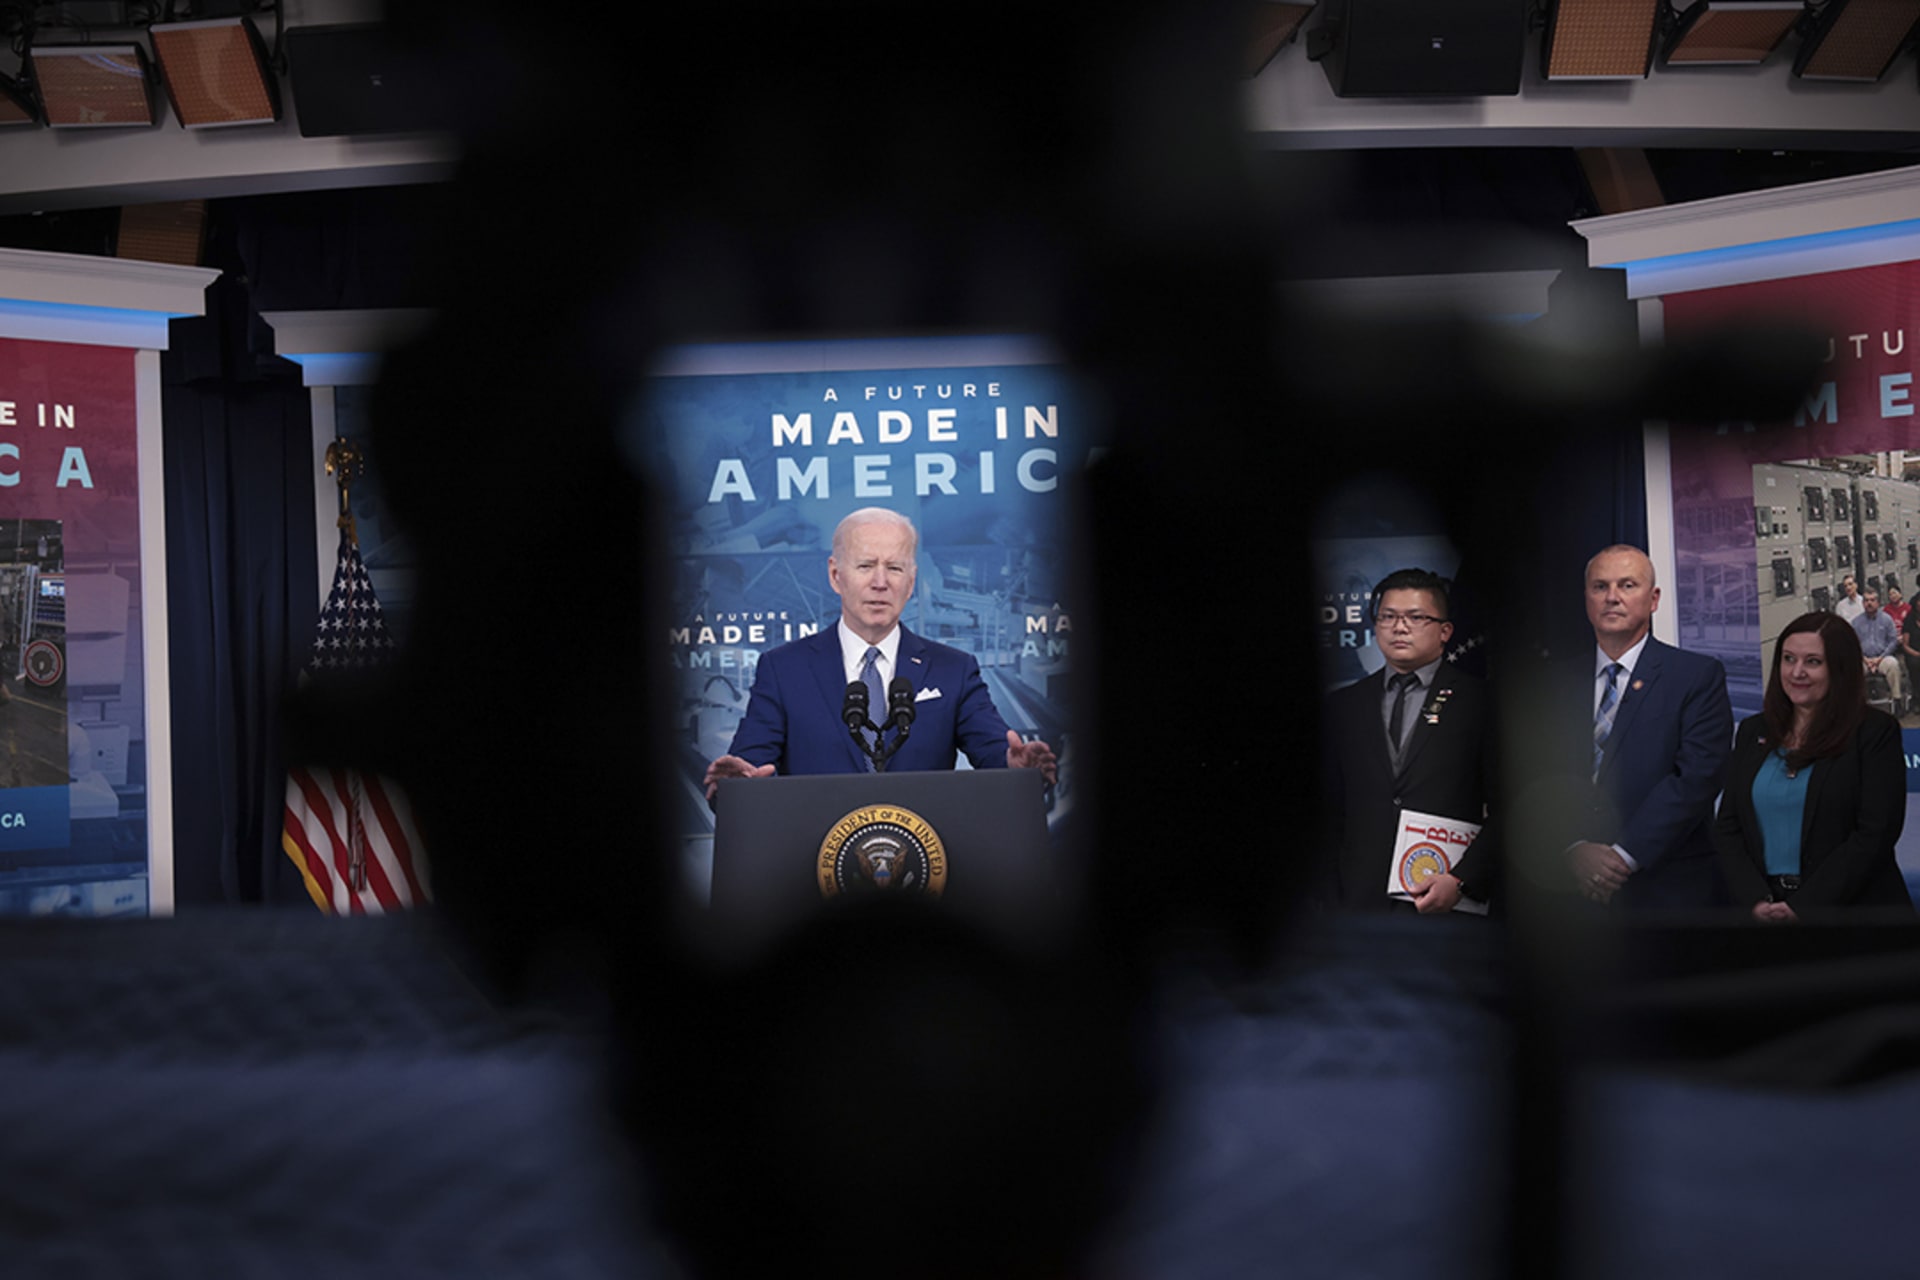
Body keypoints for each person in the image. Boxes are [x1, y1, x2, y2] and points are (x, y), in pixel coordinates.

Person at [704, 508, 1056, 798]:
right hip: (815, 869)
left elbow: (996, 753)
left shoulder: (955, 669)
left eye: (895, 567)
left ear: (911, 581)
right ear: (835, 575)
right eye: (865, 565)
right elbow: (748, 769)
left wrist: (1018, 769)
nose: (880, 582)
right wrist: (737, 785)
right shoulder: (782, 669)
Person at [1713, 612, 1912, 922]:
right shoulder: (1754, 731)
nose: (1796, 672)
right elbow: (1728, 826)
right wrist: (1754, 899)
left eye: (1813, 662)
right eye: (1788, 659)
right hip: (1763, 916)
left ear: (1840, 668)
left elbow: (1875, 833)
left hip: (1854, 920)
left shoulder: (1874, 732)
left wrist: (1804, 905)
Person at [1567, 545, 1732, 909]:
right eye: (1600, 587)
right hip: (1569, 894)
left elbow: (1697, 777)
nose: (1612, 598)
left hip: (1668, 890)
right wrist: (1573, 848)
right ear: (1586, 599)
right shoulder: (1554, 681)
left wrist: (1622, 857)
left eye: (1627, 585)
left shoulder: (1696, 676)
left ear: (1654, 599)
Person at [1322, 568, 1495, 913]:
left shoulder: (1483, 703)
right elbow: (1327, 813)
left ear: (1445, 631)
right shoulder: (1343, 706)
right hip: (1357, 906)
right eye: (1388, 617)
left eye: (1416, 617)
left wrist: (1462, 880)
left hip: (1447, 901)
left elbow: (1512, 809)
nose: (1399, 628)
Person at [1850, 587, 1903, 712]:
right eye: (1866, 600)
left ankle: (1897, 700)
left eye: (1872, 600)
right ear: (1863, 603)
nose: (1869, 603)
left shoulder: (1887, 619)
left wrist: (1880, 658)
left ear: (1878, 603)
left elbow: (1893, 641)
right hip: (1863, 659)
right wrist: (1866, 660)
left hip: (1883, 657)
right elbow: (1853, 644)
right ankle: (1857, 704)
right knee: (1853, 668)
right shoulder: (1856, 622)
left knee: (1893, 664)